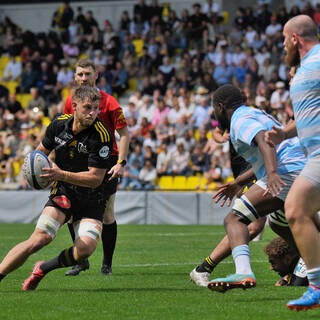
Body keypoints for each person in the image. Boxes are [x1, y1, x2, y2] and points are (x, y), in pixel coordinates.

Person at [0, 86, 113, 290]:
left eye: (96, 108)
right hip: (64, 192)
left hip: (92, 199)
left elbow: (96, 178)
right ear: (75, 106)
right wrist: (34, 173)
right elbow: (39, 153)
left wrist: (60, 174)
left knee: (85, 249)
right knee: (38, 240)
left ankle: (44, 267)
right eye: (87, 107)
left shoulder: (102, 135)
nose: (92, 113)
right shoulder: (58, 125)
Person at [204, 84, 307, 294]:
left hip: (288, 170)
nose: (215, 114)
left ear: (221, 107)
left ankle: (243, 272)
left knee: (234, 219)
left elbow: (264, 140)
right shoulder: (253, 113)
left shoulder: (239, 121)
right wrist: (239, 182)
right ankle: (312, 266)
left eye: (214, 109)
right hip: (301, 166)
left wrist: (272, 174)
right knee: (279, 224)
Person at [265, 15, 320, 311]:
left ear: (295, 39)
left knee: (296, 209)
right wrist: (285, 132)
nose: (283, 44)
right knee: (300, 211)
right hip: (314, 156)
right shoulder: (303, 70)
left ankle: (317, 286)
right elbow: (310, 113)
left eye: (284, 38)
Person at [63, 58, 129, 276]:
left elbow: (124, 133)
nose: (84, 78)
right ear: (74, 77)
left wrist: (121, 162)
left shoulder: (109, 102)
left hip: (106, 162)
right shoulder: (69, 103)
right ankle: (80, 261)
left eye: (87, 74)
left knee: (108, 213)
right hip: (78, 161)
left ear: (96, 76)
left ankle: (106, 264)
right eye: (80, 74)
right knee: (71, 212)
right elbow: (64, 132)